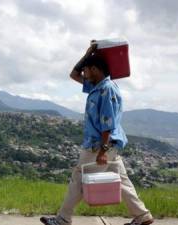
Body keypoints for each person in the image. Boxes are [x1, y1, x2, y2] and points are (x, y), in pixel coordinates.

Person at [40, 42, 154, 225]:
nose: (84, 74)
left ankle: (62, 219)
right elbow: (73, 74)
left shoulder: (106, 89)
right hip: (105, 146)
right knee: (122, 182)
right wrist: (87, 55)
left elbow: (107, 123)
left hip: (99, 146)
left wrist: (102, 151)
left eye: (87, 70)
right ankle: (143, 216)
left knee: (78, 179)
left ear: (95, 69)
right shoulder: (96, 87)